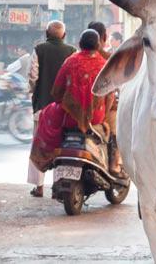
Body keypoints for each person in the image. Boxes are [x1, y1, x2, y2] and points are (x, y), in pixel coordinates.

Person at [29, 30, 109, 173]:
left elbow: (56, 92)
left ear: (79, 44)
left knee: (45, 114)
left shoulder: (71, 61)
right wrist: (105, 117)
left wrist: (70, 103)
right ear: (98, 45)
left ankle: (43, 160)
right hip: (96, 118)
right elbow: (109, 96)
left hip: (69, 117)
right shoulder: (104, 65)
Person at [27, 20, 76, 197]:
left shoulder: (39, 49)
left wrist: (36, 91)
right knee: (62, 146)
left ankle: (39, 186)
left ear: (46, 34)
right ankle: (58, 186)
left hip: (42, 106)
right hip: (63, 109)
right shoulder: (71, 52)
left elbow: (33, 76)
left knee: (39, 145)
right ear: (64, 35)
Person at [85, 21, 125, 177]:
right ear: (105, 37)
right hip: (103, 109)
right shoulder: (110, 59)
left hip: (80, 109)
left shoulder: (74, 57)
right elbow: (112, 90)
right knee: (116, 133)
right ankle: (114, 165)